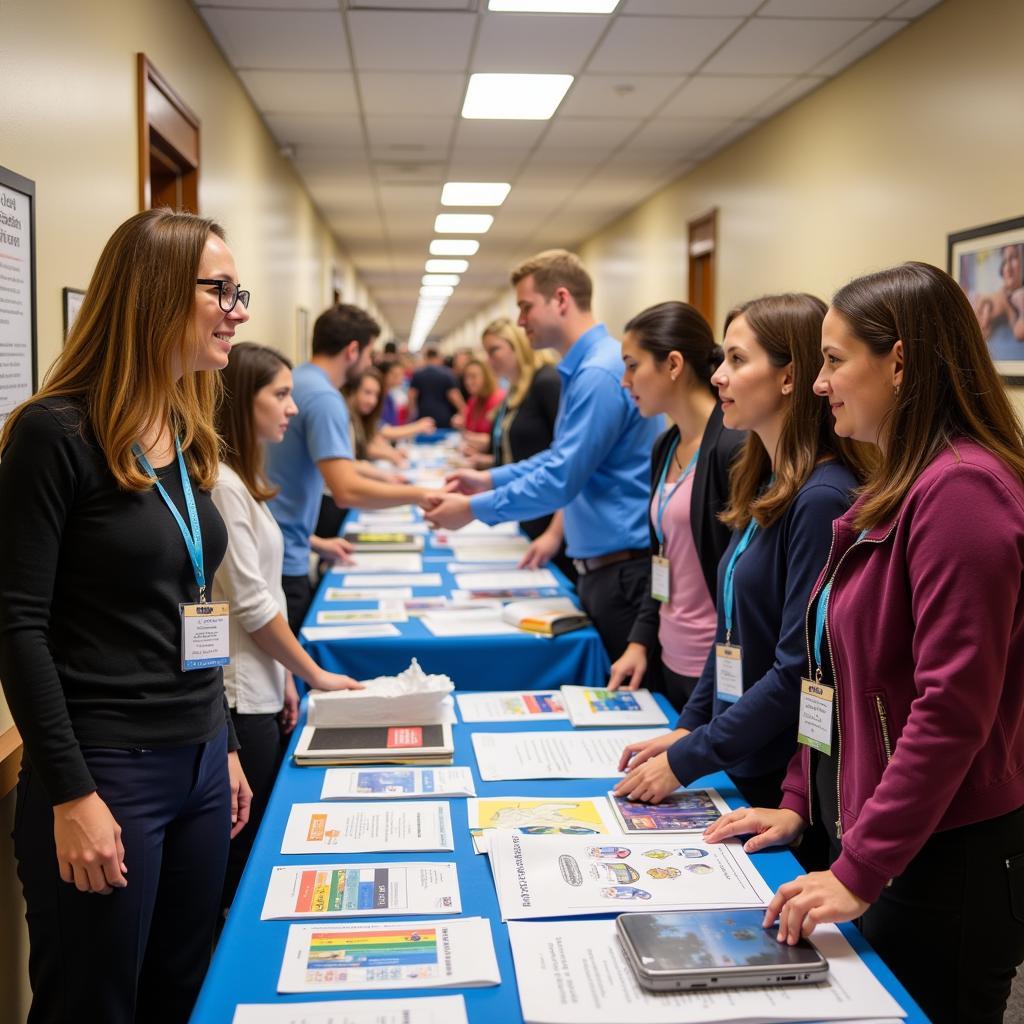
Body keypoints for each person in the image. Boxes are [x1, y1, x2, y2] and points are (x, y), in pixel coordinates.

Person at [704, 263, 1024, 1024]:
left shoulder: (963, 493)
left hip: (948, 854)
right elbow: (831, 677)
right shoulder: (895, 489)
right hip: (881, 834)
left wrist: (862, 864)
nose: (818, 384)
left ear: (902, 362)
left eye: (836, 361)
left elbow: (951, 710)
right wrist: (796, 802)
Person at [0, 208, 252, 1023]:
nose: (237, 310)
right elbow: (16, 624)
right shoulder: (55, 433)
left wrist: (225, 744)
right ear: (152, 297)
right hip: (108, 772)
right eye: (220, 290)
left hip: (201, 760)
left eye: (237, 291)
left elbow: (189, 599)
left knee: (182, 991)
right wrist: (72, 795)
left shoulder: (186, 428)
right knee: (94, 1004)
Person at [614, 293, 865, 817]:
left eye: (737, 359)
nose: (719, 377)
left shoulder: (821, 498)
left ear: (789, 377)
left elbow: (796, 670)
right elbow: (728, 633)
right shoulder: (765, 478)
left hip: (779, 771)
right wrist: (688, 727)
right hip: (736, 752)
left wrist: (689, 757)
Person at [422, 249, 663, 664]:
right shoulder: (584, 367)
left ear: (562, 300)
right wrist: (490, 480)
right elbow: (558, 457)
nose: (520, 321)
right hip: (603, 566)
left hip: (624, 572)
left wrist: (474, 509)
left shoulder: (598, 373)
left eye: (525, 307)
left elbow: (561, 477)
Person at [212, 342, 363, 908]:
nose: (292, 408)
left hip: (264, 686)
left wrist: (289, 677)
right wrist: (314, 673)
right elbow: (253, 607)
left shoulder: (243, 478)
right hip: (240, 697)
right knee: (244, 858)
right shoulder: (223, 486)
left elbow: (265, 589)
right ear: (240, 402)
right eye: (278, 395)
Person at [608, 301, 745, 710]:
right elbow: (662, 558)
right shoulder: (665, 446)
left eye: (633, 366)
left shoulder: (732, 447)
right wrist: (640, 640)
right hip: (670, 657)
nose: (625, 381)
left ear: (672, 364)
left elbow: (739, 576)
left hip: (716, 667)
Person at [265, 303, 429, 633]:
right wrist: (420, 494)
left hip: (285, 542)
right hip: (284, 559)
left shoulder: (298, 380)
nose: (371, 363)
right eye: (369, 354)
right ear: (353, 350)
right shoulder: (325, 398)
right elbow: (346, 490)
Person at [408, 347, 464, 429]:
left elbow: (412, 396)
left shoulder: (418, 374)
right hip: (444, 417)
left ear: (425, 358)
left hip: (423, 417)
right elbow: (454, 396)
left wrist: (411, 417)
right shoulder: (448, 374)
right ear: (439, 358)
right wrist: (465, 412)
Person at [452, 357, 505, 441]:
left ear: (486, 376)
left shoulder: (499, 399)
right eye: (466, 377)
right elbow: (469, 428)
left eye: (473, 376)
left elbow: (499, 438)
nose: (468, 382)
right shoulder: (473, 400)